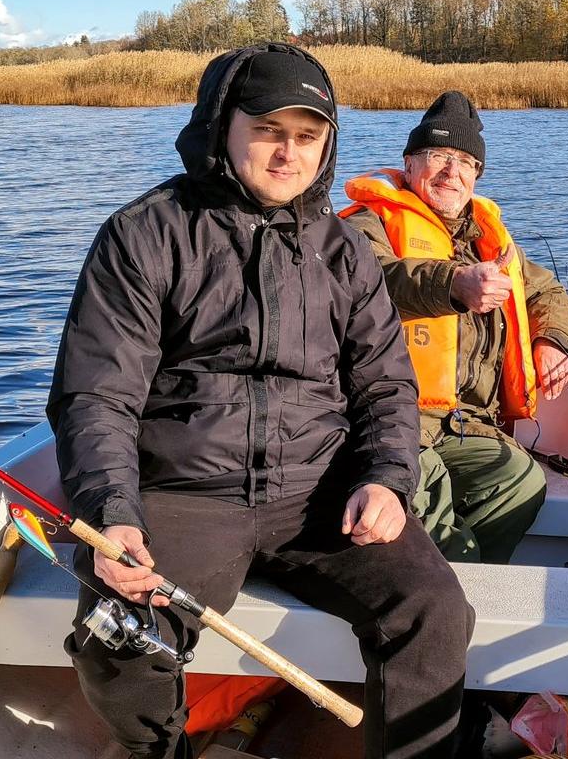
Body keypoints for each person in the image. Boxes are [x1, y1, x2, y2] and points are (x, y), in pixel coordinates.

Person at [47, 44, 471, 759]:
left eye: (307, 137)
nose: (287, 154)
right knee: (118, 637)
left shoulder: (344, 254)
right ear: (223, 127)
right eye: (269, 130)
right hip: (186, 493)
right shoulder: (144, 235)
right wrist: (112, 512)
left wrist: (386, 479)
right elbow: (98, 393)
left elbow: (387, 387)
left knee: (434, 610)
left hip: (321, 494)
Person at [340, 91, 568, 566]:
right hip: (389, 417)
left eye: (466, 161)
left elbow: (545, 292)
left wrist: (551, 341)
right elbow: (376, 278)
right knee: (428, 494)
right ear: (409, 164)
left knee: (518, 480)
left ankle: (462, 584)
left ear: (477, 175)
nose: (453, 172)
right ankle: (449, 595)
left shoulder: (488, 238)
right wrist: (453, 283)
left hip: (471, 423)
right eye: (439, 157)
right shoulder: (365, 226)